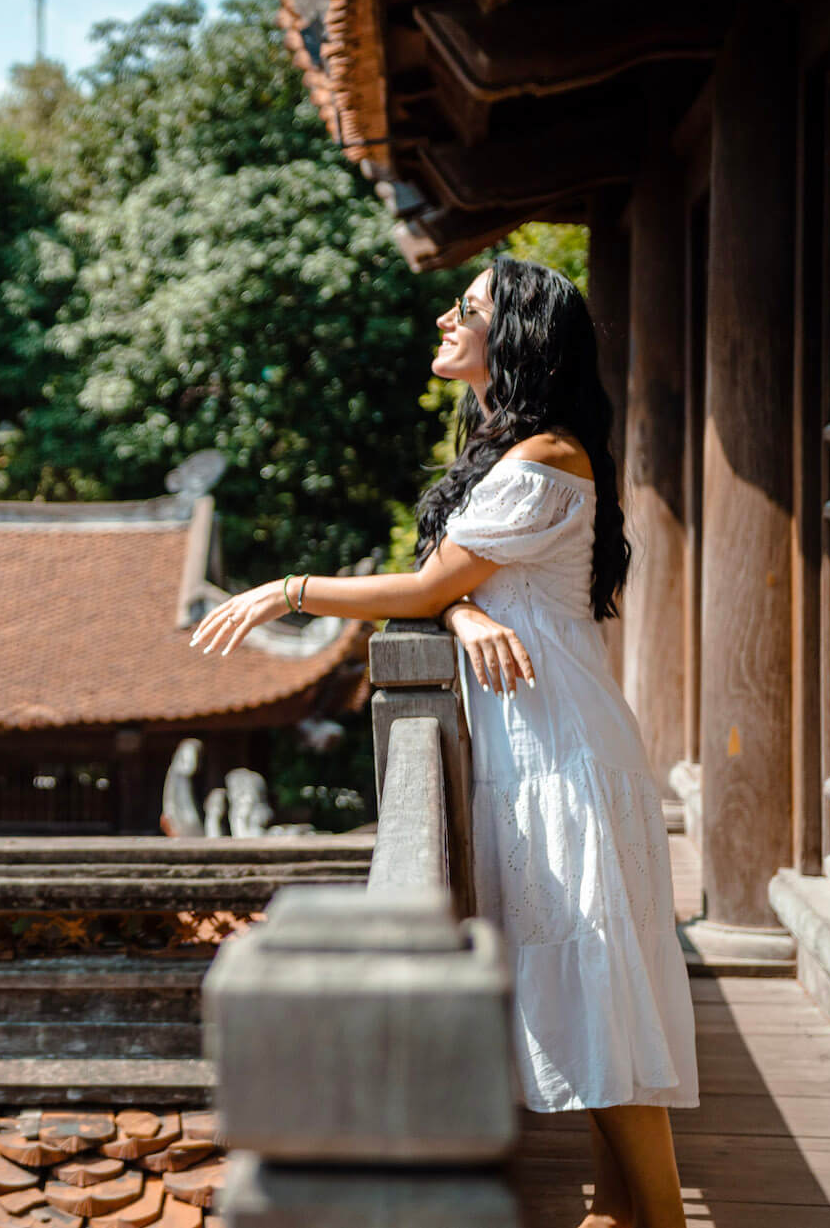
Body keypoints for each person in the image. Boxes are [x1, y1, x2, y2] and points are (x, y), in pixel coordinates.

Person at [191, 254, 696, 1228]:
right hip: (534, 736)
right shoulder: (502, 445)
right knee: (576, 973)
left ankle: (662, 1216)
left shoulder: (546, 454)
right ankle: (618, 1206)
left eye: (466, 310)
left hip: (563, 746)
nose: (443, 318)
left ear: (512, 338)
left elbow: (426, 584)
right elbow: (453, 578)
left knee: (595, 978)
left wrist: (288, 590)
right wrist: (463, 618)